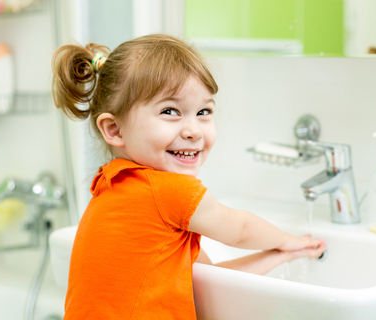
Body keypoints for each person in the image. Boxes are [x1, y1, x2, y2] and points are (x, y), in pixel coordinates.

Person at [52, 34, 326, 320]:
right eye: (170, 111)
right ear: (115, 130)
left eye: (204, 111)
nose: (193, 130)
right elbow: (240, 229)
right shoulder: (168, 192)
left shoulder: (114, 188)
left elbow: (206, 281)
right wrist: (289, 241)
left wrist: (278, 255)